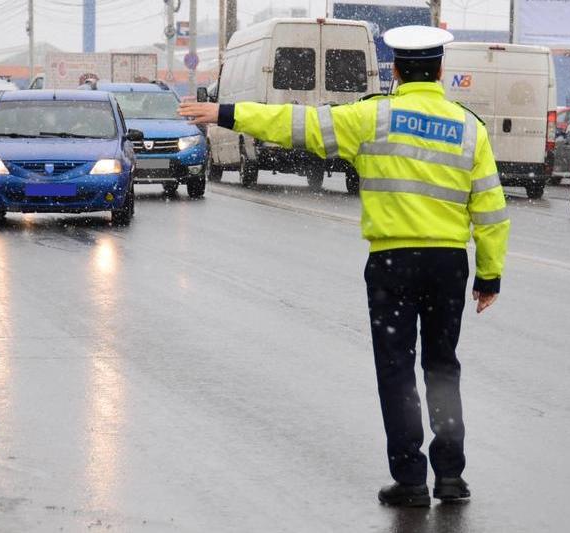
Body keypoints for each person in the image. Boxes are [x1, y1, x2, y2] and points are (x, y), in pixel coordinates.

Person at [179, 25, 510, 507]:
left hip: (392, 263)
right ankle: (452, 477)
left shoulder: (372, 117)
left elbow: (298, 124)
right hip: (447, 265)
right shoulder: (469, 127)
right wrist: (489, 275)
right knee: (442, 367)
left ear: (396, 69)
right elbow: (491, 210)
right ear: (441, 71)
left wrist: (225, 113)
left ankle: (412, 480)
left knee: (396, 370)